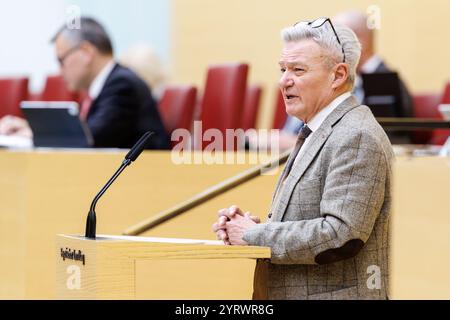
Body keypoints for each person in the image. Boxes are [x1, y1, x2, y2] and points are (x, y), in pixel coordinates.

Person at [213, 17, 394, 300]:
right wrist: (254, 229)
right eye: (282, 69)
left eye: (298, 70)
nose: (284, 80)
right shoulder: (321, 128)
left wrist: (253, 235)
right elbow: (311, 217)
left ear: (338, 75)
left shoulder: (355, 135)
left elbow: (339, 235)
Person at [0, 17, 170, 149]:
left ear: (86, 52)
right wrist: (31, 127)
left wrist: (34, 132)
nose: (60, 71)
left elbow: (89, 138)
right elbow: (84, 130)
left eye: (61, 60)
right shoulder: (103, 86)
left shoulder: (122, 84)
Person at [333, 10, 414, 143]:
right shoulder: (358, 80)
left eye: (336, 40)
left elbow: (388, 136)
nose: (331, 48)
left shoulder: (384, 82)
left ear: (358, 42)